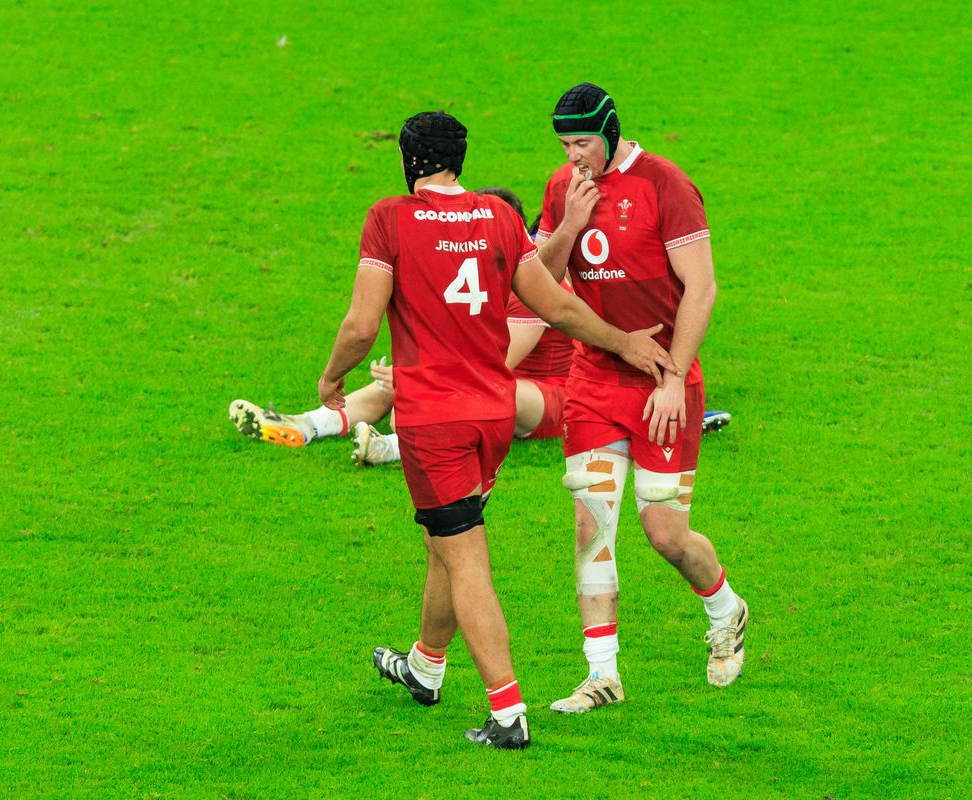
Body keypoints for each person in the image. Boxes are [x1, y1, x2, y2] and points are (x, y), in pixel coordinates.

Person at [317, 110, 678, 749]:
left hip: (436, 421)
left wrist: (332, 379)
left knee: (465, 559)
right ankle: (426, 666)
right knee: (444, 540)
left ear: (408, 160)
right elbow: (557, 305)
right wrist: (625, 342)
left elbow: (361, 325)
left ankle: (508, 714)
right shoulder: (497, 216)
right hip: (493, 415)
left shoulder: (389, 218)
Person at [534, 83, 748, 713]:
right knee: (591, 523)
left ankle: (726, 610)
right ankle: (602, 674)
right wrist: (569, 223)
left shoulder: (665, 184)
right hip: (593, 382)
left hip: (662, 384)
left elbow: (702, 287)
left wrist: (675, 377)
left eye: (583, 143)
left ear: (610, 131)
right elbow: (540, 281)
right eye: (565, 145)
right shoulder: (563, 188)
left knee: (665, 533)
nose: (574, 156)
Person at [228, 189, 573, 462]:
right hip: (487, 382)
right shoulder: (476, 273)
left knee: (473, 388)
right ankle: (307, 425)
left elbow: (492, 368)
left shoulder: (535, 284)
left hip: (543, 397)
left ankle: (390, 447)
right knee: (397, 383)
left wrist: (421, 376)